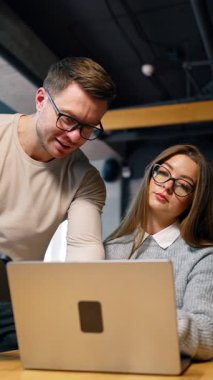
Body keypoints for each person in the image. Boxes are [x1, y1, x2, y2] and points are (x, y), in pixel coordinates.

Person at [0, 56, 116, 351]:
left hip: (11, 303)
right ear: (41, 99)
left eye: (89, 127)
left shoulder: (85, 180)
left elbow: (85, 257)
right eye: (67, 118)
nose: (75, 136)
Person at [104, 144, 213, 360]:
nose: (167, 186)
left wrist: (146, 313)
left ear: (193, 201)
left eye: (183, 185)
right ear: (151, 175)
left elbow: (208, 334)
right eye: (163, 172)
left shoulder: (202, 257)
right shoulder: (109, 248)